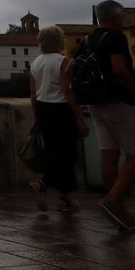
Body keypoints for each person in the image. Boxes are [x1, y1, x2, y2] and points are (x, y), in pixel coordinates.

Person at [83, 0, 135, 232]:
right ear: (115, 17)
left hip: (95, 103)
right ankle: (113, 200)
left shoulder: (87, 39)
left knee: (109, 154)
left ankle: (119, 209)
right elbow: (120, 69)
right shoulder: (115, 37)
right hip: (117, 101)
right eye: (122, 16)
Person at [27, 25, 88, 210]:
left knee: (54, 152)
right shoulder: (64, 62)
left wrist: (36, 117)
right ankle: (43, 185)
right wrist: (81, 119)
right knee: (68, 154)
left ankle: (65, 197)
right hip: (62, 110)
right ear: (58, 41)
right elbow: (67, 92)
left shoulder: (36, 63)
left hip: (44, 110)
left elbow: (33, 94)